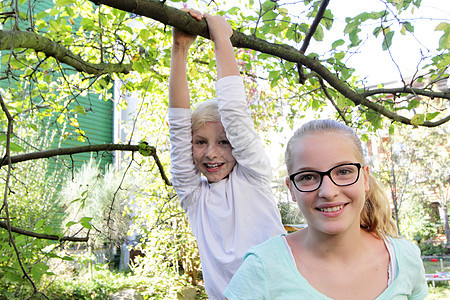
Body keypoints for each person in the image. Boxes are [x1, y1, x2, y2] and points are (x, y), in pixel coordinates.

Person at [224, 119, 428, 299]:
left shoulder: (404, 259)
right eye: (308, 177)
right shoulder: (263, 267)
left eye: (344, 171)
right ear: (291, 189)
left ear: (365, 177)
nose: (328, 192)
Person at [168, 8, 286, 300]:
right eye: (200, 142)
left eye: (224, 142)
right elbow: (177, 125)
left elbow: (234, 112)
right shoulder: (194, 197)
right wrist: (180, 47)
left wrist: (221, 36)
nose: (211, 153)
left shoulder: (253, 174)